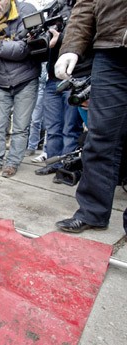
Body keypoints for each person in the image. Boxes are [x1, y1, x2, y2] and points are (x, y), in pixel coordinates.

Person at [54, 0, 127, 233]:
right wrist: (71, 48)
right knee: (99, 136)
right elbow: (85, 4)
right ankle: (92, 211)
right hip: (110, 50)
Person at [0, 0, 41, 178]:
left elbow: (23, 49)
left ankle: (12, 163)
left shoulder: (26, 10)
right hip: (1, 81)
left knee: (20, 127)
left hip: (25, 79)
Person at [33, 3, 86, 178]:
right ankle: (53, 163)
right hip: (52, 79)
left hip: (73, 77)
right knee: (53, 127)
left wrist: (62, 37)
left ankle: (67, 166)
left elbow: (84, 36)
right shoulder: (51, 11)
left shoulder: (80, 10)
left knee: (70, 127)